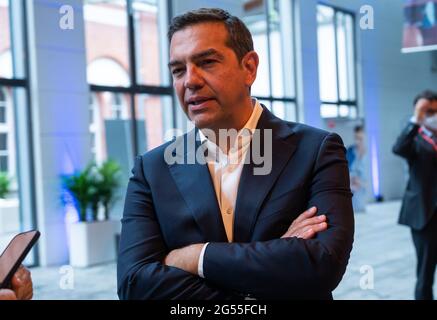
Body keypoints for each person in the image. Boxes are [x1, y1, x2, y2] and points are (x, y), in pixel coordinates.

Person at [117, 8, 354, 300]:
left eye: (207, 62)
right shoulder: (152, 169)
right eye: (178, 70)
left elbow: (323, 263)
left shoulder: (316, 150)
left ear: (249, 68)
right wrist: (264, 281)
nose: (190, 80)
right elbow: (134, 284)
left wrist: (195, 257)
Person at [393, 90, 437, 300]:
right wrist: (416, 120)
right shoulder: (413, 139)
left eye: (435, 111)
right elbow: (398, 148)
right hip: (424, 214)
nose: (433, 115)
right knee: (425, 272)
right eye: (427, 111)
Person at [346, 125, 367, 213]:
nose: (358, 140)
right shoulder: (351, 150)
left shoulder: (366, 150)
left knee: (361, 205)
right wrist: (352, 178)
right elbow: (349, 165)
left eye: (360, 138)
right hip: (353, 178)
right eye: (357, 138)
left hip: (362, 179)